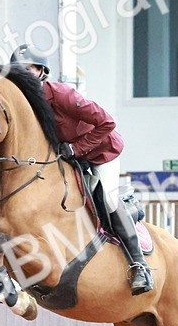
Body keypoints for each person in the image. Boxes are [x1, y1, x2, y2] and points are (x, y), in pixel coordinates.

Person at [11, 44, 153, 295]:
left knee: (108, 199)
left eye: (29, 69)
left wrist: (76, 148)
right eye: (18, 71)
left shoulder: (62, 94)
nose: (23, 75)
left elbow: (107, 122)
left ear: (41, 72)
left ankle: (139, 265)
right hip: (68, 159)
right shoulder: (23, 107)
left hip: (101, 152)